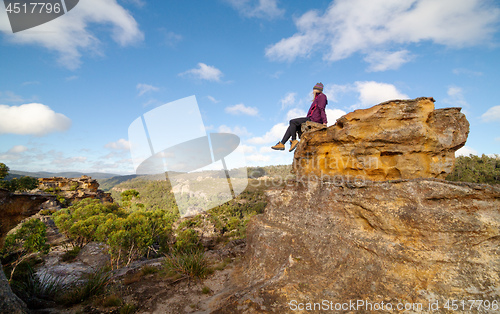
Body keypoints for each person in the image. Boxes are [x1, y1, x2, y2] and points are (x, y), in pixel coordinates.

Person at [272, 82, 328, 152]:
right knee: (292, 126)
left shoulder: (322, 96)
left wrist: (324, 122)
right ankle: (282, 143)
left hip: (313, 119)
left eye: (313, 90)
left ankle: (294, 140)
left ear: (316, 90)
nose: (312, 91)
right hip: (311, 118)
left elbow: (321, 109)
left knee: (292, 121)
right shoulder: (317, 98)